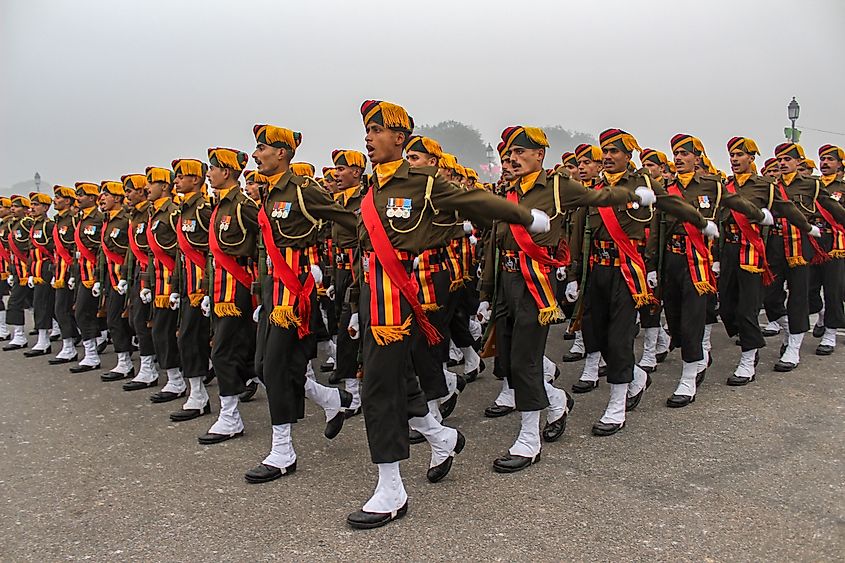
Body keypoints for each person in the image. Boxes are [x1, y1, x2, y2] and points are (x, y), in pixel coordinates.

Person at [347, 101, 543, 529]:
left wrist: (528, 216)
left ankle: (390, 487)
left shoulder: (424, 183)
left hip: (397, 303)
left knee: (378, 392)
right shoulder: (371, 187)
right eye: (366, 129)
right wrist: (353, 304)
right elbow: (362, 248)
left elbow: (478, 201)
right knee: (398, 380)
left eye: (377, 129)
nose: (368, 137)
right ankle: (442, 437)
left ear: (400, 138)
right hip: (372, 299)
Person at [565, 129, 711, 435]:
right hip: (596, 270)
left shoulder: (642, 184)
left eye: (614, 151)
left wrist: (701, 222)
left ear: (628, 155)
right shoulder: (593, 188)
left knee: (619, 338)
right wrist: (576, 274)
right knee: (597, 336)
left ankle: (617, 404)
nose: (607, 156)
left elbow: (672, 206)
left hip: (626, 272)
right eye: (604, 151)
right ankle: (635, 376)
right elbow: (579, 232)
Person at [245, 127, 357, 484]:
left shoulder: (304, 190)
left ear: (282, 153)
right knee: (263, 367)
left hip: (294, 293)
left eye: (261, 148)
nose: (255, 154)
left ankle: (283, 451)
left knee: (276, 366)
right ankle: (328, 399)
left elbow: (352, 222)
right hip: (272, 292)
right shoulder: (266, 193)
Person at [648, 135, 767, 407]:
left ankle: (689, 377)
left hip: (698, 260)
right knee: (675, 320)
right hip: (672, 259)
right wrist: (652, 264)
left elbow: (736, 205)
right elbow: (657, 227)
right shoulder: (667, 187)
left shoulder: (713, 186)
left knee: (693, 320)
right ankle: (697, 355)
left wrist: (760, 216)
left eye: (684, 154)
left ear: (697, 157)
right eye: (676, 153)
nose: (678, 158)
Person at [718, 138, 815, 384]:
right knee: (730, 306)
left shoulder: (768, 186)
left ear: (752, 158)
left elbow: (790, 209)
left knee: (757, 306)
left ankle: (759, 356)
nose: (735, 159)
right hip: (740, 249)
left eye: (740, 154)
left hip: (771, 250)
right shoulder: (724, 185)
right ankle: (783, 328)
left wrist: (808, 228)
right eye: (732, 154)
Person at [198, 147, 261, 445]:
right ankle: (326, 398)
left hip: (238, 292)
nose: (208, 174)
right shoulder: (220, 205)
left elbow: (265, 242)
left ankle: (230, 416)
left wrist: (260, 287)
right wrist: (208, 289)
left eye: (212, 168)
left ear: (226, 172)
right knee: (244, 355)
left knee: (223, 353)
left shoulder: (242, 205)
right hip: (221, 291)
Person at [763, 143, 830, 372]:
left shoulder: (812, 185)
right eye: (779, 159)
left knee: (798, 296)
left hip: (800, 246)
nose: (782, 163)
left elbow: (833, 208)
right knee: (770, 295)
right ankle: (787, 328)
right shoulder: (771, 186)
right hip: (774, 244)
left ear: (798, 162)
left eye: (787, 159)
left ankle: (794, 347)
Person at [169, 157, 214, 421]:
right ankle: (197, 394)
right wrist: (176, 286)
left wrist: (207, 287)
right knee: (188, 338)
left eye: (181, 176)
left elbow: (216, 251)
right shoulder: (184, 210)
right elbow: (180, 254)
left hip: (204, 287)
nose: (177, 180)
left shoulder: (202, 210)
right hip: (188, 285)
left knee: (196, 339)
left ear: (195, 179)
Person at [325, 148, 366, 414]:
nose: (336, 174)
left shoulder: (365, 201)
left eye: (341, 169)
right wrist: (330, 277)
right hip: (340, 272)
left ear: (356, 172)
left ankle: (354, 394)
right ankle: (353, 390)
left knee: (352, 334)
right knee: (344, 332)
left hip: (357, 274)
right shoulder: (336, 201)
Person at [143, 168, 186, 401]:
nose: (147, 187)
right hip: (159, 281)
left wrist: (177, 285)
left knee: (175, 332)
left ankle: (178, 379)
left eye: (152, 182)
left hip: (173, 280)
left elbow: (182, 249)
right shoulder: (155, 213)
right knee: (160, 331)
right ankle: (174, 378)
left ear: (165, 187)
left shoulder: (173, 212)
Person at [121, 172, 161, 391]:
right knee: (136, 321)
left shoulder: (149, 213)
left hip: (153, 273)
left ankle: (149, 369)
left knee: (146, 323)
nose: (127, 195)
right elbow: (131, 249)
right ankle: (147, 365)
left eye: (130, 190)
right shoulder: (135, 215)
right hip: (138, 272)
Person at [97, 181, 134, 380]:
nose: (102, 198)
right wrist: (98, 278)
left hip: (125, 277)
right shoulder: (108, 220)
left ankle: (132, 361)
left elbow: (131, 250)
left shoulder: (125, 219)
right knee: (114, 319)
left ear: (118, 198)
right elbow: (103, 252)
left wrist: (126, 276)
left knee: (127, 320)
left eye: (107, 194)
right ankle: (124, 361)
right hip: (112, 278)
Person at [810, 145, 845, 354]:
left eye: (830, 159)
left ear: (840, 164)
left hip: (835, 243)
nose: (824, 163)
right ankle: (820, 312)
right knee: (809, 288)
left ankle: (830, 332)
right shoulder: (812, 185)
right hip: (813, 239)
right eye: (822, 159)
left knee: (833, 290)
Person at [68, 183, 105, 371]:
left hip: (96, 274)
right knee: (81, 311)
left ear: (92, 198)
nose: (78, 198)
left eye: (82, 195)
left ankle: (93, 353)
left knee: (84, 311)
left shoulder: (98, 218)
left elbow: (103, 248)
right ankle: (91, 353)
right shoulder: (81, 219)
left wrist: (99, 275)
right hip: (83, 272)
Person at [49, 186, 81, 364]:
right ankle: (69, 343)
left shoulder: (73, 220)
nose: (55, 200)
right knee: (61, 308)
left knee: (73, 309)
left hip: (72, 270)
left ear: (67, 201)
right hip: (60, 270)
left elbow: (77, 247)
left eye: (58, 197)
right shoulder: (59, 220)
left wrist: (73, 272)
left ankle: (74, 344)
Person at [22, 192, 56, 357]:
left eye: (36, 205)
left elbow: (57, 248)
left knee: (43, 302)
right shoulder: (34, 225)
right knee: (41, 302)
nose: (32, 208)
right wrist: (29, 272)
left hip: (47, 267)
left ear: (45, 208)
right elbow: (31, 251)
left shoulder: (49, 225)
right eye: (32, 205)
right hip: (36, 268)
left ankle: (44, 340)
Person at [2, 195, 35, 351]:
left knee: (18, 302)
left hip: (28, 269)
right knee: (29, 301)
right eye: (13, 207)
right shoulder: (13, 224)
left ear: (26, 209)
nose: (13, 209)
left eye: (16, 207)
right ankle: (19, 335)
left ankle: (20, 336)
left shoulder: (27, 223)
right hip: (18, 269)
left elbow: (32, 246)